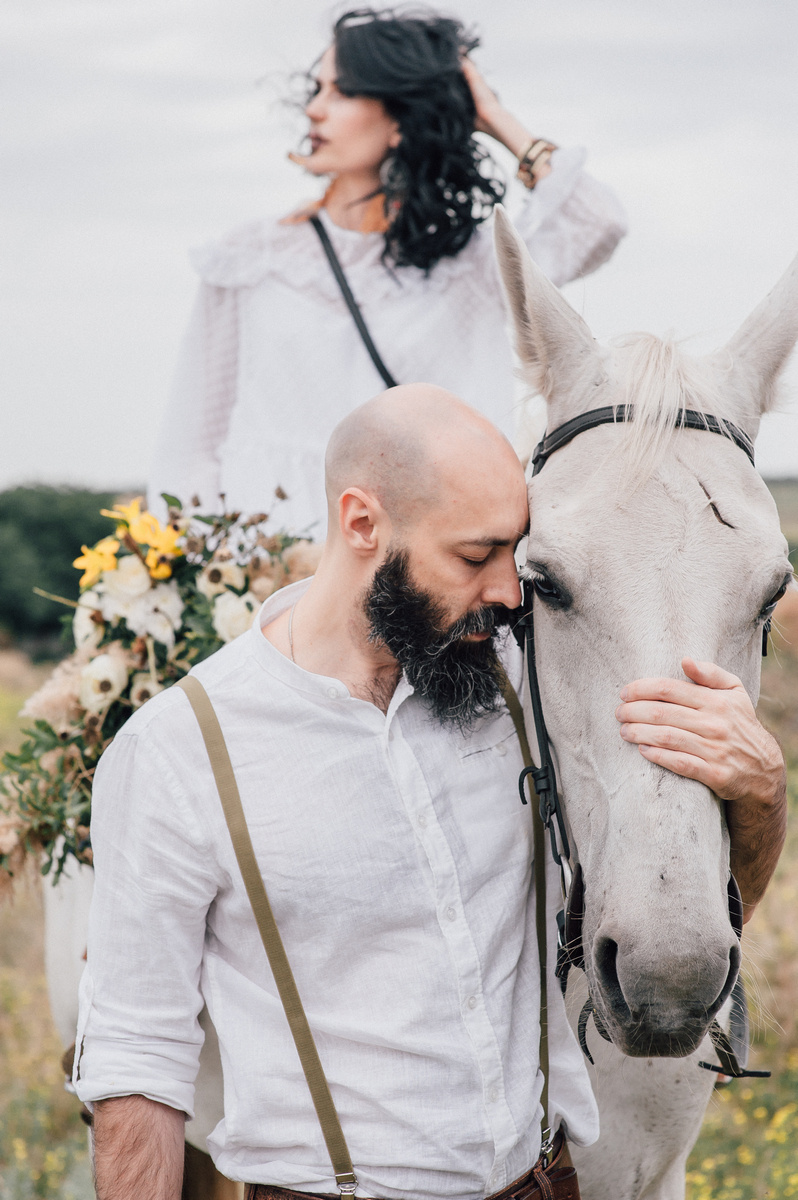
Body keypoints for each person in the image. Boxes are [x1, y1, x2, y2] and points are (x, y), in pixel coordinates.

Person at [78, 386, 785, 1199]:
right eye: (474, 556)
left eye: (513, 557)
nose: (509, 594)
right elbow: (136, 1061)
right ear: (362, 524)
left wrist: (762, 787)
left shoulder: (526, 696)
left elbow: (682, 897)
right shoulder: (180, 750)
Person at [148, 7, 628, 534]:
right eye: (315, 89)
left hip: (425, 578)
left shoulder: (470, 263)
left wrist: (493, 117)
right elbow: (193, 441)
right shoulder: (251, 256)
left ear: (401, 115)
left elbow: (596, 223)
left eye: (342, 92)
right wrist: (201, 577)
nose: (313, 109)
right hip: (269, 574)